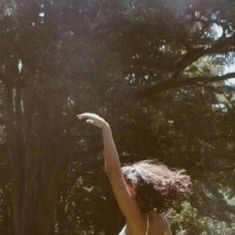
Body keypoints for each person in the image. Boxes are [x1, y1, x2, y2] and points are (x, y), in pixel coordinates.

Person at [77, 112, 192, 235]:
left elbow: (113, 171)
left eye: (124, 182)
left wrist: (106, 128)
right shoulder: (161, 219)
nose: (121, 187)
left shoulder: (136, 218)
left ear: (135, 187)